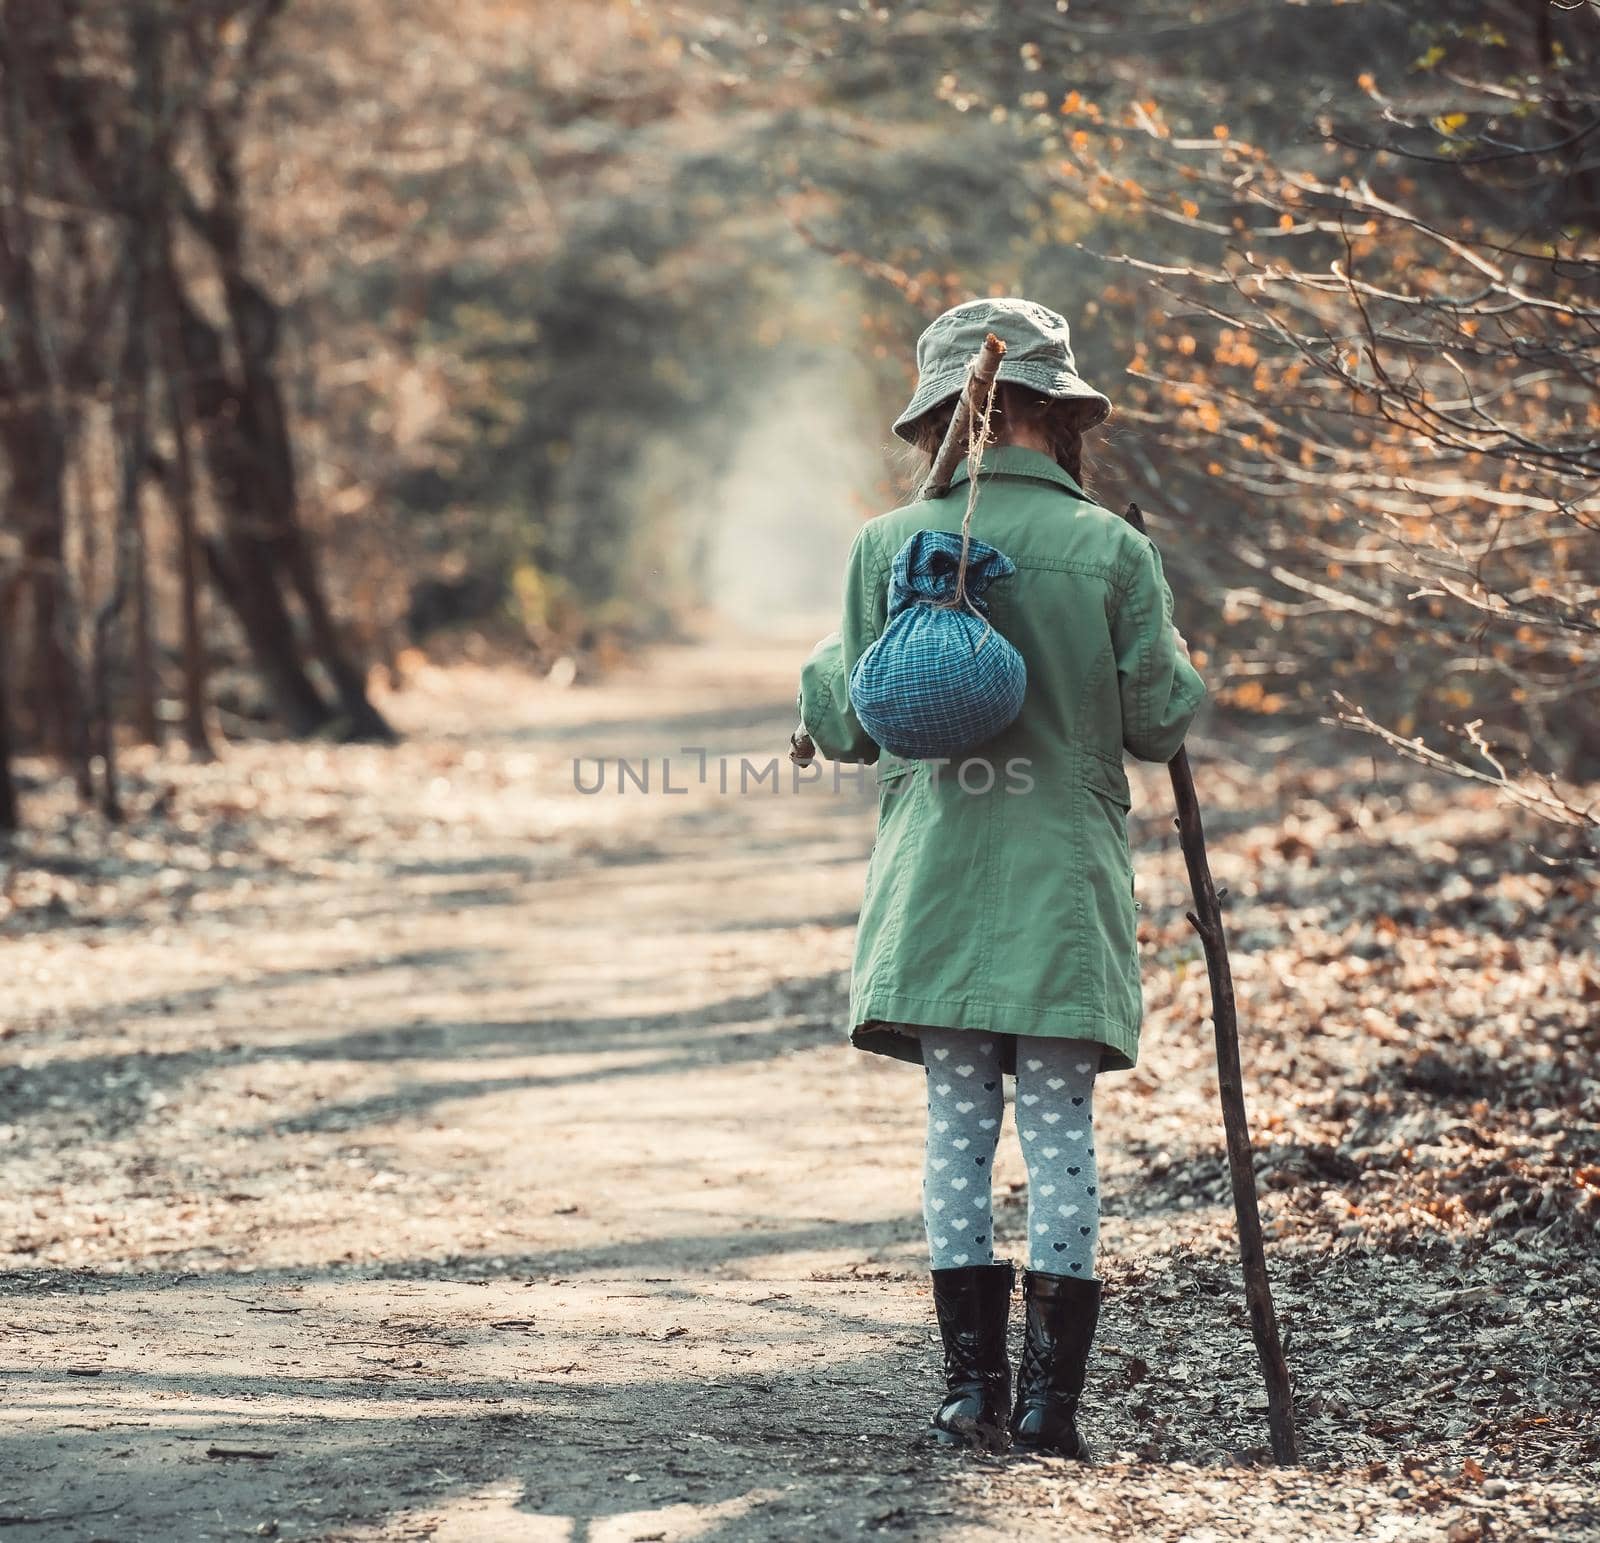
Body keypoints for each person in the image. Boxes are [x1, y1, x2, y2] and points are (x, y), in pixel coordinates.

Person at [798, 297, 1206, 1458]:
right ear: (1058, 412)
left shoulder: (883, 545)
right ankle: (1051, 1410)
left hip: (937, 878)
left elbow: (847, 723)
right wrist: (1177, 654)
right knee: (1061, 1133)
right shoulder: (1115, 550)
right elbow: (1156, 723)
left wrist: (817, 681)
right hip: (1063, 890)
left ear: (946, 414)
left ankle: (966, 1393)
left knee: (956, 1129)